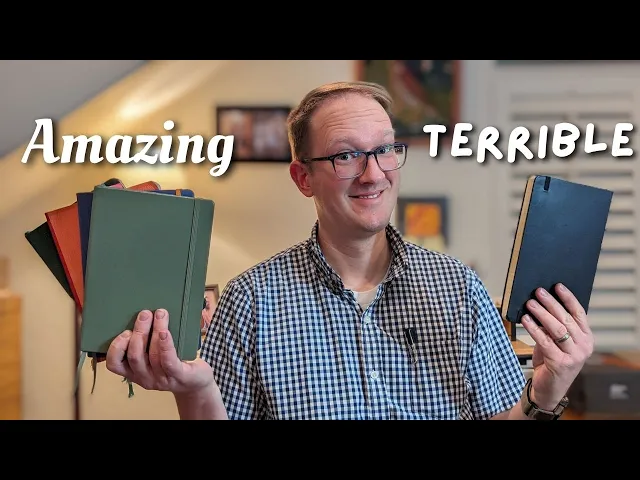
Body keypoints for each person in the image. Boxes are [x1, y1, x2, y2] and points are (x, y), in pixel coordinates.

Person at [105, 81, 594, 420]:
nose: (373, 173)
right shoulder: (250, 301)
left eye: (385, 150)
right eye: (346, 155)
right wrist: (194, 389)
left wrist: (547, 389)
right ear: (303, 178)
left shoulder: (459, 289)